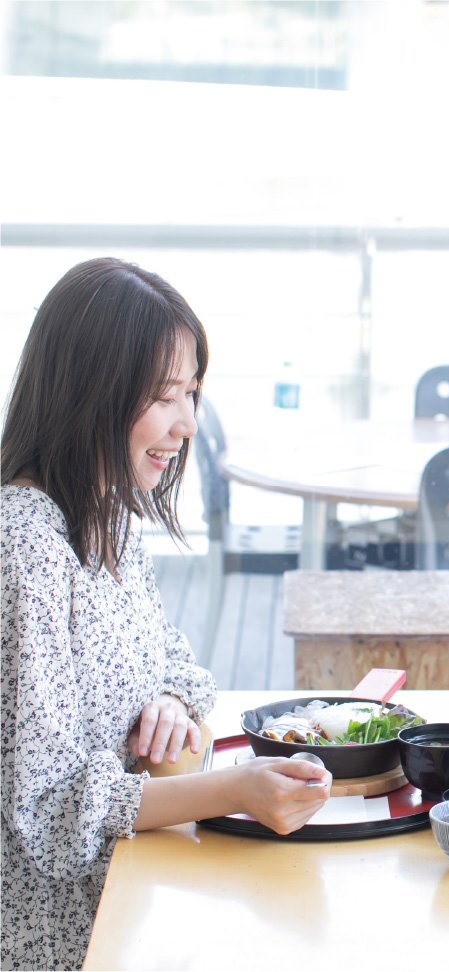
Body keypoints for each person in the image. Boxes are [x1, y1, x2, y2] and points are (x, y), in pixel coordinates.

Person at [1, 258, 332, 971]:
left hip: (137, 882)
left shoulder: (105, 512)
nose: (185, 424)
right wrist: (233, 789)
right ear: (88, 392)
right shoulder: (24, 547)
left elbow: (171, 656)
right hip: (66, 933)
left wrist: (171, 699)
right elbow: (54, 811)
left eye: (190, 393)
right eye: (161, 396)